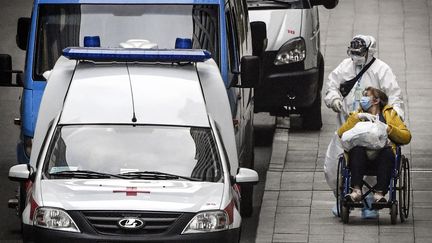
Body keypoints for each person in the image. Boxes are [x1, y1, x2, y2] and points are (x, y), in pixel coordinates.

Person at [323, 35, 405, 218]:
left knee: (378, 161)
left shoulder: (382, 70)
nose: (356, 56)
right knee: (332, 167)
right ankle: (342, 197)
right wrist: (334, 100)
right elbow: (331, 87)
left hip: (376, 129)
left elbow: (394, 96)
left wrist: (395, 117)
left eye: (359, 53)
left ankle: (370, 202)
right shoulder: (344, 67)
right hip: (349, 126)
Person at [337, 87, 411, 203]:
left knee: (387, 152)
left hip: (382, 158)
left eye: (366, 96)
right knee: (356, 149)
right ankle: (356, 191)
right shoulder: (358, 114)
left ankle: (379, 194)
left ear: (376, 100)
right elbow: (341, 133)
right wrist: (358, 118)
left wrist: (388, 129)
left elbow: (406, 137)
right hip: (361, 158)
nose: (363, 99)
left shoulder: (390, 114)